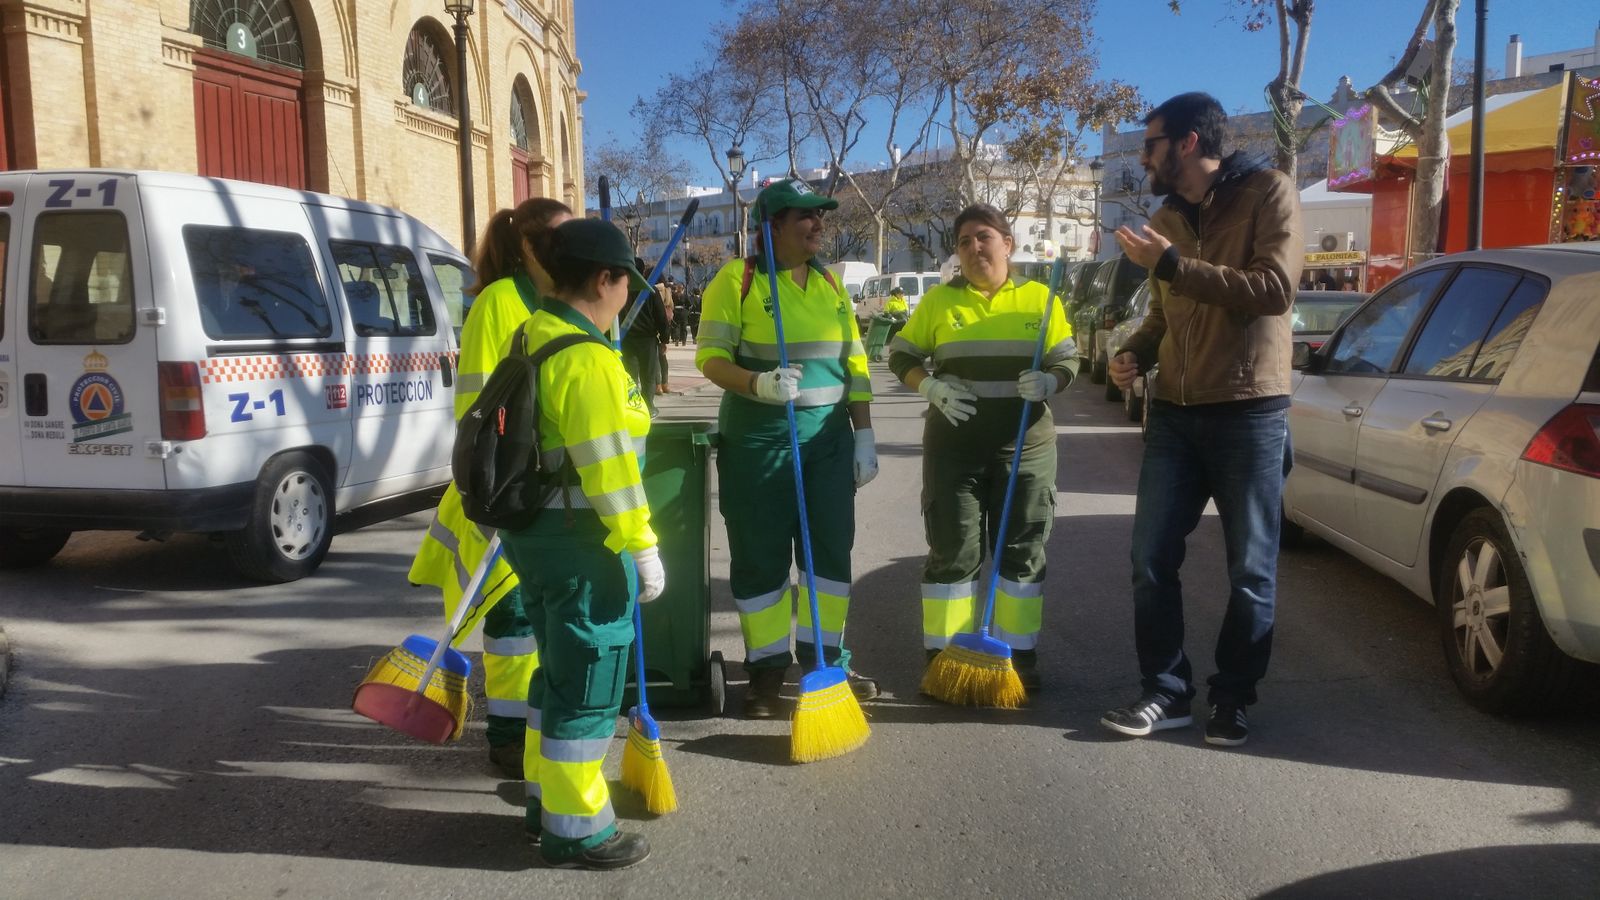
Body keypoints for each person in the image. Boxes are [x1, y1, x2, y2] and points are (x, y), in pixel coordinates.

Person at [1099, 91, 1301, 747]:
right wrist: (1134, 352)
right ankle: (1166, 691)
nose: (1144, 155)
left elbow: (1274, 290)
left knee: (1251, 570)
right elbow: (1167, 312)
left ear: (1188, 142)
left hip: (1250, 411)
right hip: (1177, 417)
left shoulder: (1269, 192)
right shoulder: (1165, 217)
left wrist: (1174, 264)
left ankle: (1233, 697)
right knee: (1150, 558)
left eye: (1151, 142)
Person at [495, 218, 662, 869]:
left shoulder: (533, 334)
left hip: (533, 538)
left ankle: (544, 800)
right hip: (583, 544)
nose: (628, 295)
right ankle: (578, 828)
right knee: (589, 685)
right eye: (626, 283)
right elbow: (610, 469)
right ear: (605, 279)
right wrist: (641, 545)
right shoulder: (587, 360)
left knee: (556, 678)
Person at [694, 178, 879, 718]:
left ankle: (827, 664)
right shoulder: (737, 280)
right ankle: (767, 675)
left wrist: (863, 433)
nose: (818, 225)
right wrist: (758, 384)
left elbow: (856, 365)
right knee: (760, 560)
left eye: (821, 216)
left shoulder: (831, 285)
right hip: (757, 442)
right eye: (805, 216)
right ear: (771, 227)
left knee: (828, 557)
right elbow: (710, 357)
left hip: (827, 445)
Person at [408, 198, 572, 780]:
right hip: (511, 486)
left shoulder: (566, 299)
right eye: (559, 236)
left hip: (555, 489)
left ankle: (539, 722)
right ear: (528, 248)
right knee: (512, 618)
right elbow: (476, 405)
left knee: (543, 615)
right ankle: (507, 734)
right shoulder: (500, 302)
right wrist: (505, 472)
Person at [887, 204, 1076, 691]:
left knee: (1022, 554)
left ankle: (1018, 663)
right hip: (955, 451)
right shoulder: (937, 302)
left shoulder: (1041, 298)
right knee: (952, 553)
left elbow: (1066, 358)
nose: (975, 247)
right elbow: (902, 353)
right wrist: (928, 387)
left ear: (1007, 244)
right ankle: (944, 662)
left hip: (1025, 449)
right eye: (965, 240)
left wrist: (1051, 381)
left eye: (984, 237)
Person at [619, 257, 669, 415]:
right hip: (647, 338)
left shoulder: (622, 292)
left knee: (630, 375)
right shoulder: (650, 291)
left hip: (626, 338)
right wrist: (664, 339)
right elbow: (661, 317)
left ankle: (633, 406)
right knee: (648, 374)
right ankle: (648, 406)